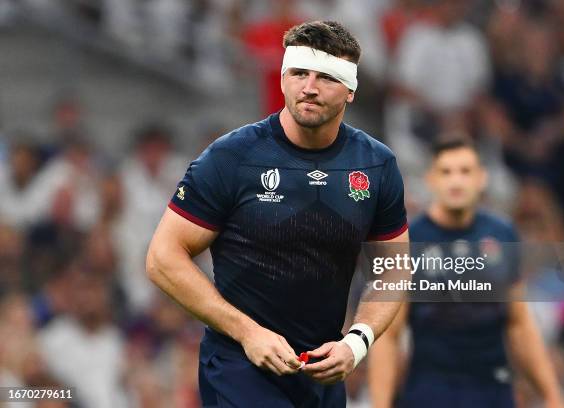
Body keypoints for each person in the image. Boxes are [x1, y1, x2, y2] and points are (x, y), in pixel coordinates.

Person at [146, 20, 409, 407]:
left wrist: (357, 341)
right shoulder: (232, 157)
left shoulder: (376, 165)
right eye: (299, 73)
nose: (309, 88)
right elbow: (162, 258)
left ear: (350, 90)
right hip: (240, 366)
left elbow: (395, 267)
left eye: (326, 77)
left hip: (323, 370)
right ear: (283, 77)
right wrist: (248, 332)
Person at [368, 139, 564, 407]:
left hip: (493, 392)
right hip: (430, 392)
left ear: (481, 178)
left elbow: (519, 323)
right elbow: (389, 336)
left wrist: (551, 395)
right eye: (446, 172)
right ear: (431, 179)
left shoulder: (502, 234)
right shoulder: (409, 241)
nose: (456, 181)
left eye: (465, 171)